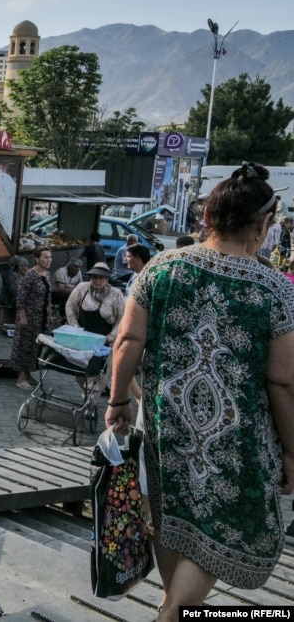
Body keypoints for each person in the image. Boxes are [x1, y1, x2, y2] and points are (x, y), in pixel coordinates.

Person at [107, 163, 294, 621]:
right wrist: (291, 452)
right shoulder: (273, 289)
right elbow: (283, 380)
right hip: (238, 438)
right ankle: (172, 613)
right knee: (222, 527)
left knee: (176, 519)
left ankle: (173, 607)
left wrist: (118, 401)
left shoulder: (162, 268)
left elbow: (128, 340)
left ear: (207, 217)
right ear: (263, 223)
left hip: (167, 425)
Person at [11, 246, 53, 390]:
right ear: (36, 259)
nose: (48, 260)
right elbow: (20, 297)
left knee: (36, 346)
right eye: (45, 257)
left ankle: (29, 374)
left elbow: (48, 297)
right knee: (25, 345)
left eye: (50, 257)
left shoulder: (46, 275)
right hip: (29, 318)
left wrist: (49, 314)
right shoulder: (30, 275)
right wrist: (23, 317)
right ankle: (21, 377)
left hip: (41, 318)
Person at [64, 262, 125, 344]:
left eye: (101, 278)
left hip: (105, 340)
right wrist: (76, 328)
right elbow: (70, 306)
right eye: (94, 277)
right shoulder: (81, 288)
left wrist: (110, 337)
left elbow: (121, 318)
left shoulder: (116, 293)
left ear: (107, 280)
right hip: (82, 337)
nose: (97, 281)